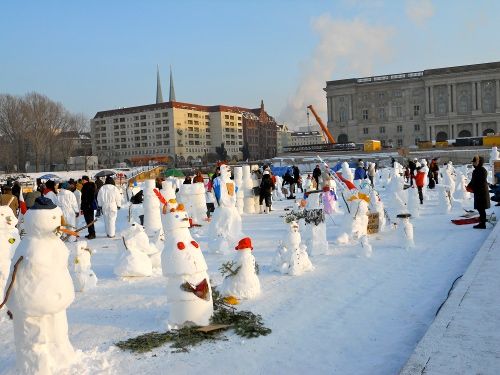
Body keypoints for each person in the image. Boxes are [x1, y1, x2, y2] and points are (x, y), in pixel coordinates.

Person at [467, 155, 491, 229]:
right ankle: (482, 221)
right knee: (480, 208)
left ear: (478, 163)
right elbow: (473, 181)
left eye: (474, 162)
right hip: (479, 192)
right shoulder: (477, 170)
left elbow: (480, 182)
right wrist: (469, 186)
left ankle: (482, 224)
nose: (473, 164)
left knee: (481, 208)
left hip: (481, 192)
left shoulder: (481, 170)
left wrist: (472, 188)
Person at [81, 175, 96, 239]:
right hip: (87, 206)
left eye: (83, 179)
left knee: (89, 220)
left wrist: (88, 205)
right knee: (89, 220)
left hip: (88, 206)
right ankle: (91, 233)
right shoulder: (86, 186)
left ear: (86, 180)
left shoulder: (88, 186)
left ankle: (92, 234)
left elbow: (90, 197)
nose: (82, 180)